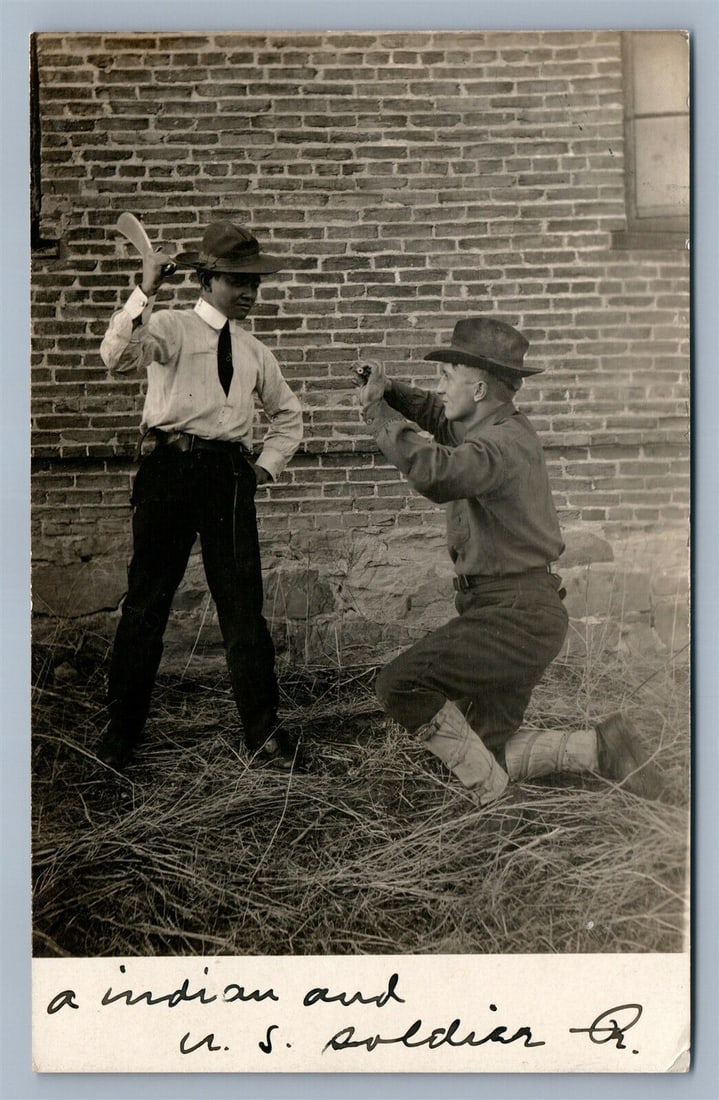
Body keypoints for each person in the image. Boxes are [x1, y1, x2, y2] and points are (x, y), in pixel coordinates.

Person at [356, 316, 662, 804]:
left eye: (447, 376)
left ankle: (494, 805)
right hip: (517, 612)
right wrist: (390, 388)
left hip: (514, 616)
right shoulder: (492, 423)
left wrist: (379, 415)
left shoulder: (501, 444)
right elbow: (439, 414)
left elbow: (436, 472)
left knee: (399, 684)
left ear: (477, 389)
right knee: (485, 746)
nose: (440, 387)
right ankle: (602, 750)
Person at [97, 220, 303, 771]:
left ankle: (264, 734)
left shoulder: (256, 352)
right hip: (168, 472)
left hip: (228, 482)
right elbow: (114, 356)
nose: (250, 292)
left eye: (256, 283)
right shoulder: (168, 327)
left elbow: (289, 417)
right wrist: (145, 288)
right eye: (239, 280)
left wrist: (261, 470)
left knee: (243, 611)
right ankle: (121, 732)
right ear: (207, 279)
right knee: (146, 606)